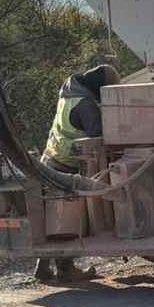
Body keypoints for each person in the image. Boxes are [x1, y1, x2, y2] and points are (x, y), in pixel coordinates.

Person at [35, 63, 120, 283]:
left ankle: (42, 268)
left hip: (50, 158)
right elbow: (99, 137)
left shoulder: (69, 93)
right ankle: (66, 270)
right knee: (66, 219)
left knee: (53, 215)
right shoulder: (86, 105)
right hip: (63, 165)